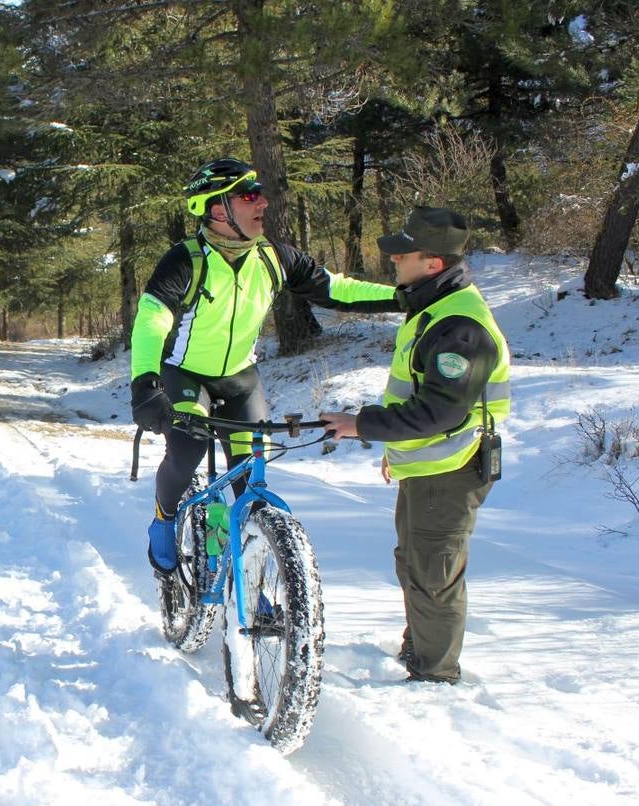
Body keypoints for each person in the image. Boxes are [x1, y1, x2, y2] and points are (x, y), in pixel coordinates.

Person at [130, 157, 397, 573]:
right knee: (186, 452)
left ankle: (256, 583)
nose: (263, 203)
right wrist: (146, 384)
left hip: (241, 380)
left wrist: (405, 296)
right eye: (249, 195)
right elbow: (152, 319)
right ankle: (164, 518)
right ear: (218, 210)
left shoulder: (273, 257)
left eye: (260, 194)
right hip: (186, 377)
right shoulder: (186, 260)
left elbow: (336, 288)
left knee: (250, 480)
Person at [320, 206, 511, 684]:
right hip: (428, 468)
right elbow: (421, 399)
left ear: (433, 264)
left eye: (403, 254)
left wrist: (361, 424)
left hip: (451, 470)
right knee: (416, 564)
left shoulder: (459, 329)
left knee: (434, 575)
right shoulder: (433, 308)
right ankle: (420, 650)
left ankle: (435, 675)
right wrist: (394, 450)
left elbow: (439, 412)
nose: (394, 262)